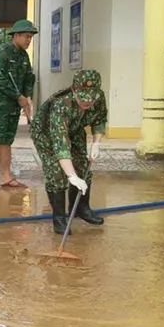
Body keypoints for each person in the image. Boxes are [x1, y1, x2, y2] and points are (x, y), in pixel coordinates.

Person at [30, 69, 107, 234]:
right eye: (83, 98)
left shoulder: (98, 97)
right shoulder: (61, 104)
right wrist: (71, 176)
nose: (87, 102)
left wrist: (96, 143)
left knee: (82, 166)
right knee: (57, 172)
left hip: (75, 129)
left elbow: (100, 119)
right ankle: (59, 218)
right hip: (47, 134)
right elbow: (61, 146)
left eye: (91, 99)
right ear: (74, 90)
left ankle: (81, 208)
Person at [0, 19, 37, 192]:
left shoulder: (23, 55)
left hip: (14, 105)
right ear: (16, 35)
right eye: (26, 37)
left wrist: (27, 96)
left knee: (7, 140)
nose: (29, 41)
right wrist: (18, 96)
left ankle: (6, 176)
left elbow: (29, 77)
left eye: (31, 37)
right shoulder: (2, 51)